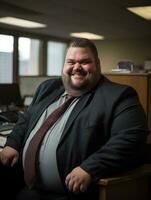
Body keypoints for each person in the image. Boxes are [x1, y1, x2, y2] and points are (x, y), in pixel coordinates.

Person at [0, 38, 149, 200]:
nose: (77, 67)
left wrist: (90, 168)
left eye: (85, 62)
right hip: (29, 190)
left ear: (97, 64)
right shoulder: (47, 88)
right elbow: (26, 119)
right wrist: (12, 143)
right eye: (71, 62)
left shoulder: (118, 96)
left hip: (71, 194)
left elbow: (131, 138)